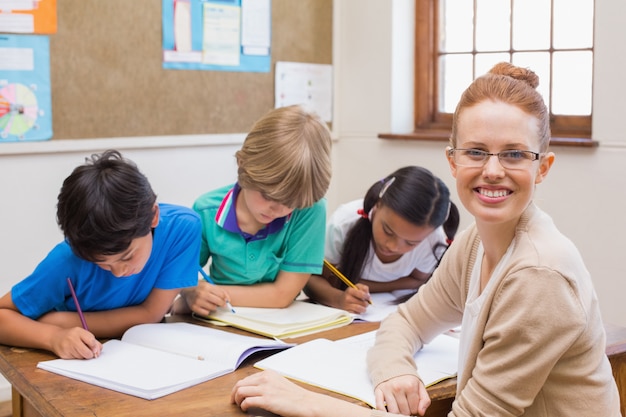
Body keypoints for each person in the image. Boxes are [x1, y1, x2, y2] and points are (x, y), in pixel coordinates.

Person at [231, 63, 621, 416]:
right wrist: (394, 371)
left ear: (543, 168)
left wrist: (310, 404)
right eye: (476, 151)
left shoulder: (540, 275)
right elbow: (404, 324)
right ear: (452, 161)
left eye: (515, 154)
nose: (492, 170)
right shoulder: (474, 245)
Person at [0, 150, 202, 360]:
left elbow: (151, 313)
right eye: (102, 263)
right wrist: (54, 336)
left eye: (127, 256)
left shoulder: (183, 229)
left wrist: (59, 321)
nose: (118, 272)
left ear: (153, 216)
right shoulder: (68, 259)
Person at [174, 104, 332, 316]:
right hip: (220, 321)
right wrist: (192, 291)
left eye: (290, 202)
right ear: (242, 165)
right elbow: (180, 275)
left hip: (282, 325)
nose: (277, 209)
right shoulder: (206, 210)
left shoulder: (309, 209)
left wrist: (213, 293)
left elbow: (282, 295)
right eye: (267, 196)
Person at [304, 166, 459, 314]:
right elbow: (310, 278)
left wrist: (359, 285)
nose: (393, 246)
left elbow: (418, 281)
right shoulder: (344, 223)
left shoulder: (434, 240)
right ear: (377, 206)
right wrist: (339, 299)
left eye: (411, 243)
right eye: (387, 231)